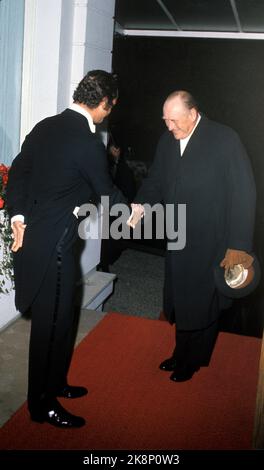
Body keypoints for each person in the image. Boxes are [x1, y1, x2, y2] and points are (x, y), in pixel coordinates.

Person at [6, 70, 127, 428]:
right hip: (55, 246)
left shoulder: (45, 127)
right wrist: (135, 210)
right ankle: (41, 405)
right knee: (51, 325)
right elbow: (105, 191)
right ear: (104, 103)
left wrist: (18, 215)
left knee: (62, 318)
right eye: (110, 108)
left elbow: (18, 173)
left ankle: (55, 383)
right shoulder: (88, 143)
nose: (108, 115)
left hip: (40, 238)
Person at [128, 90, 256, 382]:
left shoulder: (225, 139)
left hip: (213, 239)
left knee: (204, 301)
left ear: (193, 114)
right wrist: (141, 205)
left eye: (174, 121)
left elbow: (244, 193)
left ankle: (193, 359)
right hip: (178, 235)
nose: (169, 127)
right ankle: (180, 352)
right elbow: (156, 180)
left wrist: (239, 246)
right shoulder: (167, 141)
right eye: (165, 121)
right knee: (181, 298)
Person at [99, 137, 136, 271]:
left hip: (117, 206)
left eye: (116, 149)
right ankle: (104, 262)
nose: (115, 151)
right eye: (113, 149)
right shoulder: (107, 163)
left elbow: (127, 188)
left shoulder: (121, 167)